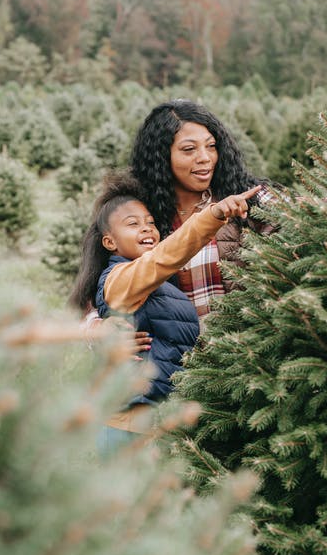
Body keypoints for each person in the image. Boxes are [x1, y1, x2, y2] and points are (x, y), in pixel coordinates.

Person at [70, 174, 259, 453]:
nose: (146, 229)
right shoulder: (121, 279)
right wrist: (213, 214)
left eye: (150, 223)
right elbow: (163, 259)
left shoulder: (157, 286)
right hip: (128, 424)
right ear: (109, 243)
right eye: (133, 224)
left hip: (157, 421)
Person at [129, 99, 275, 318]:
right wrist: (100, 327)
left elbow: (305, 230)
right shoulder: (138, 216)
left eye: (211, 146)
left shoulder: (250, 198)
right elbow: (102, 289)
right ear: (161, 157)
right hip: (177, 352)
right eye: (189, 149)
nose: (205, 158)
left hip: (244, 349)